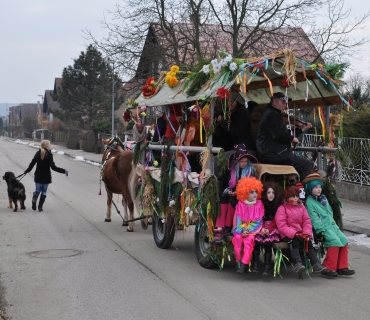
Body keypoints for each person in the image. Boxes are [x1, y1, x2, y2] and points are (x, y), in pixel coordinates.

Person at [303, 173, 355, 277]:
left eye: (320, 187)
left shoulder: (323, 198)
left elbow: (329, 212)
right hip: (324, 228)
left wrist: (334, 225)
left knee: (344, 240)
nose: (319, 189)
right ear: (310, 188)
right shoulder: (310, 202)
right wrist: (321, 230)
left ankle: (342, 267)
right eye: (316, 187)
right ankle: (328, 267)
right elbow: (314, 219)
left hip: (333, 226)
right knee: (334, 242)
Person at [256, 92, 312, 181]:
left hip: (273, 153)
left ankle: (295, 187)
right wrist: (292, 138)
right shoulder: (271, 115)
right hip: (273, 154)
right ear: (274, 102)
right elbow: (279, 134)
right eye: (283, 103)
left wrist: (301, 129)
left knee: (303, 162)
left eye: (286, 103)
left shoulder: (273, 114)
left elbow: (284, 133)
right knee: (305, 164)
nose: (286, 106)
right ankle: (302, 189)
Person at [275, 185, 327, 275]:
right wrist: (293, 233)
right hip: (287, 233)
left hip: (300, 232)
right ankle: (297, 263)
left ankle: (316, 264)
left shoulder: (301, 207)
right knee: (293, 242)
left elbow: (307, 221)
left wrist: (306, 232)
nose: (295, 199)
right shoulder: (282, 208)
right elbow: (282, 225)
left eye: (296, 196)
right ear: (287, 197)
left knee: (308, 241)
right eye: (292, 197)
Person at [213, 143, 258, 242]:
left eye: (246, 161)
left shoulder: (251, 171)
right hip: (231, 192)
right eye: (242, 161)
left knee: (233, 201)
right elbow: (223, 182)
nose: (244, 164)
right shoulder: (231, 170)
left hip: (245, 196)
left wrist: (239, 193)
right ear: (237, 161)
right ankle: (219, 228)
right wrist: (228, 191)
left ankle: (228, 227)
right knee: (224, 199)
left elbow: (252, 187)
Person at [23, 140, 68, 212]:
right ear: (46, 146)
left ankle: (34, 200)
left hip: (38, 175)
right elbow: (53, 167)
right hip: (46, 176)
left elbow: (32, 163)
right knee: (44, 192)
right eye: (49, 144)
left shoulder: (38, 153)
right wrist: (63, 170)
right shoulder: (49, 154)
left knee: (37, 190)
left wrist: (26, 171)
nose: (50, 145)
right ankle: (40, 207)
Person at [232, 177, 264, 274]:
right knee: (237, 238)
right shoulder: (240, 205)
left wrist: (248, 230)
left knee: (249, 240)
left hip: (253, 230)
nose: (255, 194)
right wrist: (242, 231)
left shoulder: (259, 204)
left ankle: (244, 264)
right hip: (241, 228)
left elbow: (258, 222)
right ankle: (239, 260)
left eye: (256, 191)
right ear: (245, 193)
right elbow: (237, 221)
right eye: (251, 192)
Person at [252, 182, 283, 275]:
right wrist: (261, 228)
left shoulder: (277, 205)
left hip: (272, 227)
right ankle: (255, 264)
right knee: (257, 240)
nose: (271, 195)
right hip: (260, 225)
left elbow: (275, 220)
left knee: (268, 242)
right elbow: (258, 217)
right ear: (265, 194)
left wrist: (268, 229)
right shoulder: (261, 204)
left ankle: (267, 266)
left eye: (273, 193)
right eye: (269, 192)